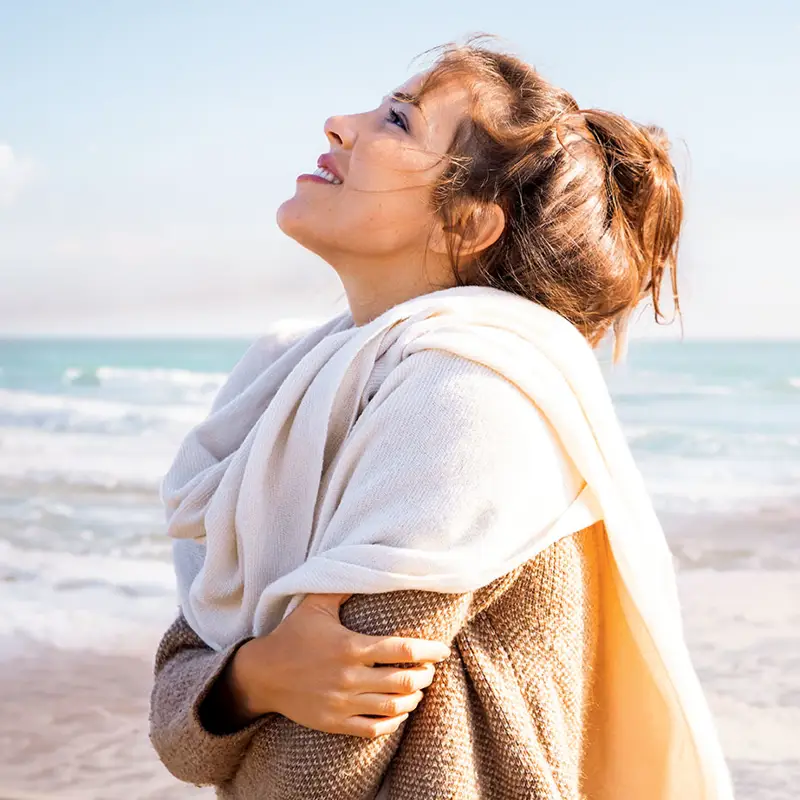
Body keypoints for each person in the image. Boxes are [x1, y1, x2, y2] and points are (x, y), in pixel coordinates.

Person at [149, 39, 732, 799]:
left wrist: (236, 691)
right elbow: (180, 707)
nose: (338, 124)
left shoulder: (471, 395)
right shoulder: (287, 380)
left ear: (469, 224)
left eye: (397, 120)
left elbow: (318, 771)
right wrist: (254, 677)